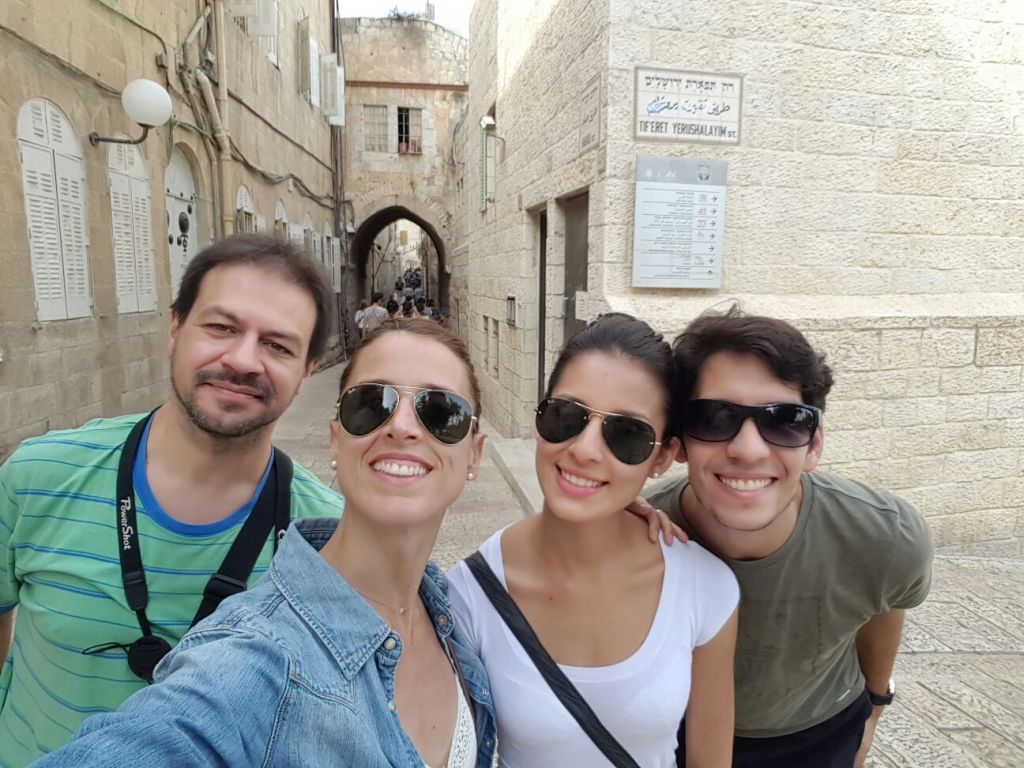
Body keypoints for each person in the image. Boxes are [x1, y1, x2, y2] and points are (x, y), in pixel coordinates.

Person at [36, 319, 496, 768]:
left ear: (473, 454)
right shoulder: (253, 658)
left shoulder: (451, 617)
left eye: (440, 411)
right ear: (337, 440)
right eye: (371, 404)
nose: (402, 427)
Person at [0, 234, 344, 765]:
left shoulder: (328, 539)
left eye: (278, 345)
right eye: (221, 328)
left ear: (308, 371)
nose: (243, 359)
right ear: (175, 329)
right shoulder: (38, 477)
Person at [642, 307, 933, 768]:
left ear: (814, 444)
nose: (748, 448)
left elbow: (884, 604)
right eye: (715, 418)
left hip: (822, 734)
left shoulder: (884, 535)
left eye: (783, 420)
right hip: (676, 734)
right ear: (680, 443)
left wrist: (874, 707)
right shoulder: (636, 537)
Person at [449, 313, 739, 767]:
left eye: (627, 435)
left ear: (662, 457)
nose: (585, 449)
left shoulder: (705, 587)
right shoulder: (468, 593)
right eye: (567, 416)